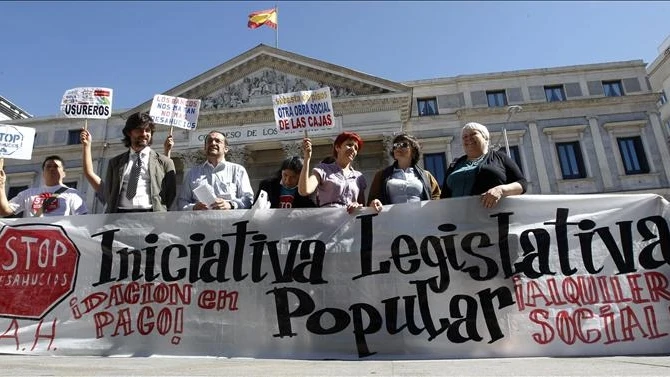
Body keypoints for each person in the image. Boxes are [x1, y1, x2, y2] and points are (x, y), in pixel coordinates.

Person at [102, 112, 177, 213]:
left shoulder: (165, 163)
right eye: (139, 130)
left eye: (147, 130)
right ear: (129, 133)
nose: (144, 134)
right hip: (120, 216)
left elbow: (170, 194)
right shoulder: (115, 163)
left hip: (151, 217)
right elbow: (109, 193)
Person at [440, 122, 527, 208]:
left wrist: (500, 190)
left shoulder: (500, 157)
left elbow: (522, 184)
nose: (468, 138)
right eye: (464, 137)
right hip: (458, 218)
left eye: (473, 134)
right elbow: (444, 197)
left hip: (491, 217)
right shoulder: (455, 164)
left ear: (485, 137)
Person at [80, 128, 174, 199]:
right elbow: (89, 173)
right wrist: (86, 146)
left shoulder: (150, 200)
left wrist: (167, 152)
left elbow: (162, 181)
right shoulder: (113, 197)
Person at [178, 130, 254, 211]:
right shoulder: (192, 173)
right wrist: (193, 207)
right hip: (200, 221)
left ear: (226, 149)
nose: (213, 143)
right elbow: (182, 201)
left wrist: (230, 205)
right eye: (209, 141)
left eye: (218, 141)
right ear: (205, 148)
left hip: (230, 221)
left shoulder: (238, 170)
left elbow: (248, 199)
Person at [368, 133, 441, 212]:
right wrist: (374, 203)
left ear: (413, 151)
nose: (398, 147)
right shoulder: (381, 175)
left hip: (421, 220)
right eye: (395, 145)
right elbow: (371, 200)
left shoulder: (426, 175)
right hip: (392, 220)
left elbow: (436, 197)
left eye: (404, 144)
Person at [298, 131, 367, 213]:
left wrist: (356, 205)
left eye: (356, 148)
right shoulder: (323, 169)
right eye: (349, 145)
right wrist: (307, 159)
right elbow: (304, 190)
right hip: (327, 220)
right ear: (337, 147)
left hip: (349, 223)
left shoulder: (359, 177)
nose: (353, 149)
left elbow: (363, 206)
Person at [0, 155, 87, 217]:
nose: (52, 169)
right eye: (48, 166)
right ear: (43, 173)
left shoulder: (72, 194)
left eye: (56, 166)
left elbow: (82, 219)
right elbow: (4, 211)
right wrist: (1, 185)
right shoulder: (28, 193)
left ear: (64, 173)